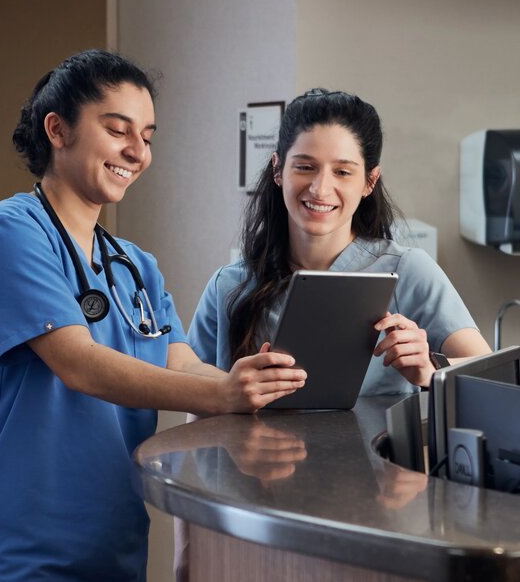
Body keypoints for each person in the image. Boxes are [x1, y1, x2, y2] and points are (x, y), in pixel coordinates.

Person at [0, 49, 307, 582]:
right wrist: (221, 394)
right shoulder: (9, 233)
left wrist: (242, 379)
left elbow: (177, 359)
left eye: (147, 135)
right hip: (17, 559)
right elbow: (77, 361)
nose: (136, 150)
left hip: (109, 551)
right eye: (116, 128)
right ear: (58, 130)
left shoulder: (133, 264)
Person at [188, 87, 491, 391]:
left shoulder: (408, 271)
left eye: (343, 172)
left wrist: (431, 368)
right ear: (278, 169)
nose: (320, 189)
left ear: (369, 181)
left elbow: (489, 373)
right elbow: (198, 413)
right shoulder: (227, 286)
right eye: (305, 167)